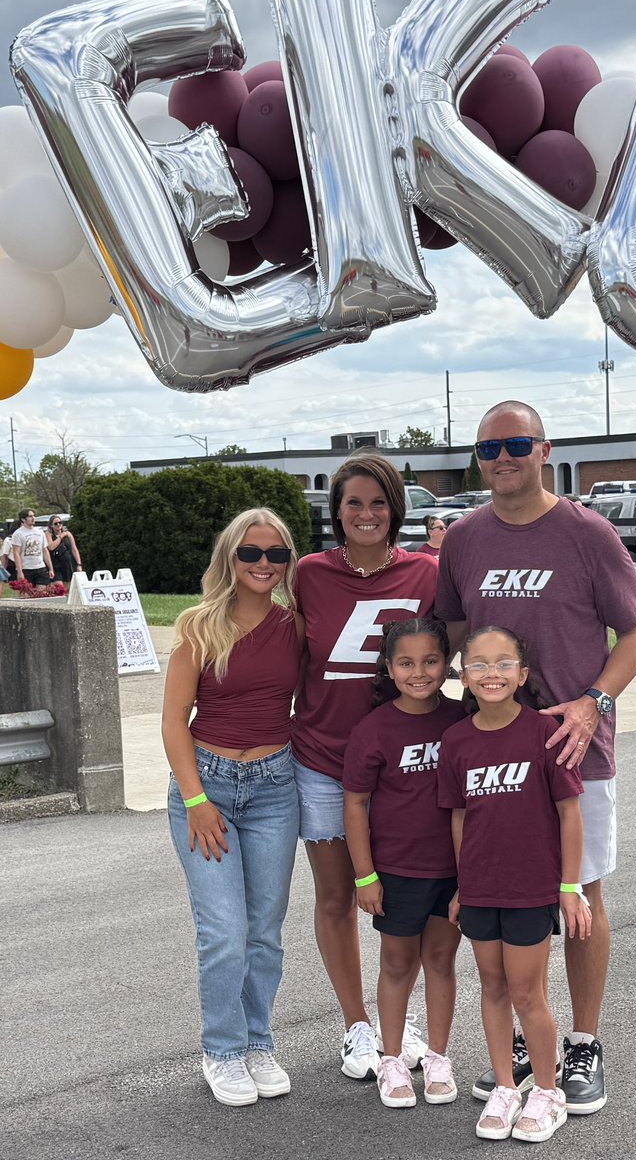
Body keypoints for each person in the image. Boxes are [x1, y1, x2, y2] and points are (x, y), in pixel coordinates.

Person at [435, 400, 636, 1116]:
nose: (503, 458)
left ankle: (582, 1043)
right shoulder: (463, 540)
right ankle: (532, 1043)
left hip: (570, 748)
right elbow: (459, 635)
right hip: (495, 752)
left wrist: (594, 703)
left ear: (544, 450)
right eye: (490, 448)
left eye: (517, 444)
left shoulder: (587, 534)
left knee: (581, 894)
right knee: (506, 897)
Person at [291, 452, 439, 1080]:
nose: (367, 514)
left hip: (404, 767)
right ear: (336, 511)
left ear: (396, 509)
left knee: (415, 894)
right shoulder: (309, 574)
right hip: (323, 757)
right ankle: (356, 1024)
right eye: (354, 502)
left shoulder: (428, 573)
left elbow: (447, 657)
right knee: (338, 895)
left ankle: (416, 1023)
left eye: (378, 502)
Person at [162, 508, 302, 1108]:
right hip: (208, 785)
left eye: (277, 554)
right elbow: (173, 723)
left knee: (265, 933)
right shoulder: (199, 625)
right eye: (252, 553)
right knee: (225, 931)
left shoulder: (296, 626)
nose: (264, 564)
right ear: (230, 558)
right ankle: (222, 1049)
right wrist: (195, 799)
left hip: (276, 786)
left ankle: (257, 1043)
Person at [438, 626, 590, 1142]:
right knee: (494, 987)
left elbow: (570, 814)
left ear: (523, 674)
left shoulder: (544, 735)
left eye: (504, 663)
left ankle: (547, 1091)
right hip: (481, 889)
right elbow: (460, 818)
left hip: (530, 889)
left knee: (528, 993)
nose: (491, 673)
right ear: (464, 676)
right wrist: (461, 886)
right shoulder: (456, 741)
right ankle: (506, 1086)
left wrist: (570, 888)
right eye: (478, 664)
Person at [343, 618, 465, 1109]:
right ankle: (391, 1059)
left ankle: (437, 1057)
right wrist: (365, 875)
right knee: (397, 965)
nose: (420, 672)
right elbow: (354, 805)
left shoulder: (461, 719)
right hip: (395, 872)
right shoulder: (373, 729)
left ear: (447, 664)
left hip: (453, 871)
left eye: (431, 661)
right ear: (389, 668)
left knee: (441, 961)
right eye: (407, 663)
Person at [10, 508, 54, 587]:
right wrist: (20, 572)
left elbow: (45, 551)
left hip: (40, 568)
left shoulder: (40, 532)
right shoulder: (18, 534)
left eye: (34, 516)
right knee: (27, 596)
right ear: (23, 519)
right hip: (26, 569)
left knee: (41, 594)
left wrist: (50, 568)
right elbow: (16, 553)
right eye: (30, 516)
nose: (33, 518)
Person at [45, 517, 82, 585]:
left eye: (60, 523)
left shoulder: (68, 534)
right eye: (56, 524)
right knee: (58, 585)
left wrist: (79, 564)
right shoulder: (48, 534)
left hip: (66, 563)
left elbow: (74, 549)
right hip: (55, 564)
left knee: (68, 586)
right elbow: (51, 547)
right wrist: (60, 537)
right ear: (51, 526)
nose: (58, 525)